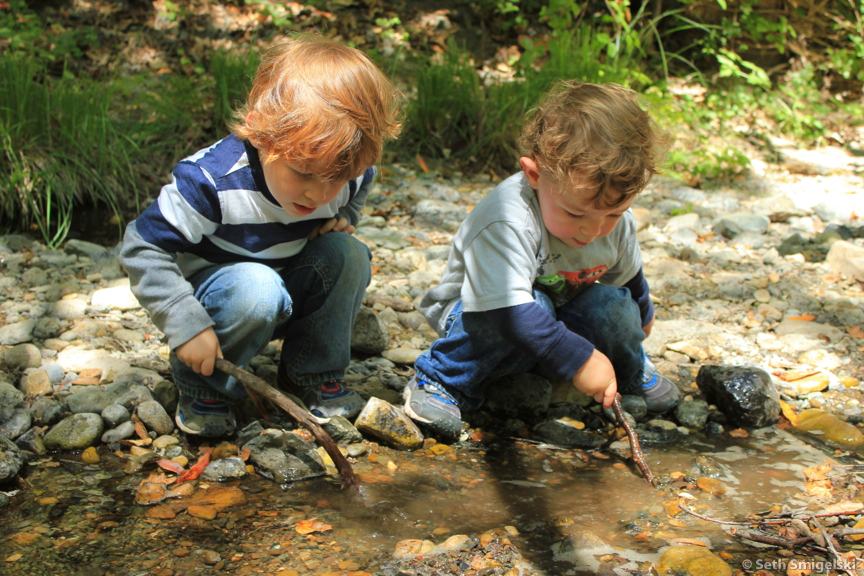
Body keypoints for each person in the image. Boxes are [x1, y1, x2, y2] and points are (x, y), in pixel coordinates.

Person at [121, 35, 400, 437]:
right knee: (256, 285)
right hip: (223, 304)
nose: (320, 194)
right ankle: (204, 385)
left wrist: (342, 218)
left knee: (349, 253)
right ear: (259, 132)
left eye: (339, 178)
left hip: (288, 286)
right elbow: (142, 245)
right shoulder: (211, 182)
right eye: (303, 173)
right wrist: (186, 324)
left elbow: (360, 183)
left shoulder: (347, 172)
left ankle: (311, 372)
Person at [403, 81, 680, 441]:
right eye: (575, 214)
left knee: (613, 307)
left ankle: (627, 372)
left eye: (612, 214)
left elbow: (628, 278)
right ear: (535, 176)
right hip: (485, 315)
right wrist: (580, 359)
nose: (593, 230)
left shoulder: (611, 221)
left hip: (556, 315)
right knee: (536, 305)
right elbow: (511, 313)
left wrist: (639, 318)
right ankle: (441, 379)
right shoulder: (506, 218)